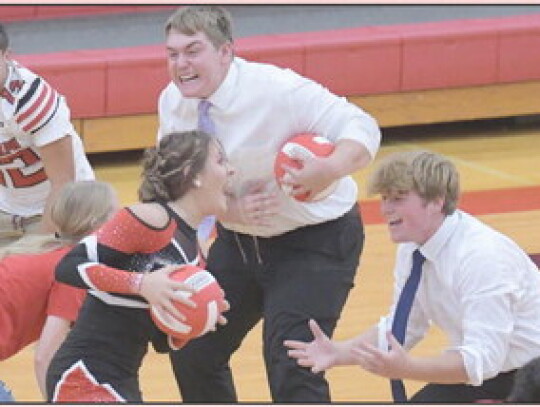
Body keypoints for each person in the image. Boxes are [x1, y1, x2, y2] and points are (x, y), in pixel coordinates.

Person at [157, 6, 381, 403]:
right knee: (194, 346)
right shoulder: (173, 103)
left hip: (317, 242)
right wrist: (228, 211)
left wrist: (327, 168)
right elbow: (175, 184)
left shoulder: (278, 90)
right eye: (173, 54)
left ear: (225, 52)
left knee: (291, 361)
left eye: (193, 51)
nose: (181, 64)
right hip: (240, 240)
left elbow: (361, 126)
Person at [285, 150, 540, 403]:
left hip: (531, 375)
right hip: (495, 372)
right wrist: (340, 352)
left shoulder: (481, 257)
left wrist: (408, 368)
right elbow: (404, 325)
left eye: (398, 199)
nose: (385, 209)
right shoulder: (413, 247)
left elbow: (482, 360)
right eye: (384, 198)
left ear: (436, 201)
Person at [45, 130, 233, 402]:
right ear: (193, 174)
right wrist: (143, 284)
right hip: (85, 374)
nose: (232, 170)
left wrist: (195, 320)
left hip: (122, 378)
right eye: (221, 160)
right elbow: (68, 266)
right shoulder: (151, 219)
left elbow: (159, 342)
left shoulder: (197, 259)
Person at [0, 180, 118, 401]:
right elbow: (44, 358)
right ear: (97, 223)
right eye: (116, 213)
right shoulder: (74, 269)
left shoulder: (50, 251)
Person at [0, 23, 94, 243]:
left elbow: (63, 182)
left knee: (39, 272)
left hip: (63, 208)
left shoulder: (30, 99)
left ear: (6, 55)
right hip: (7, 209)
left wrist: (37, 248)